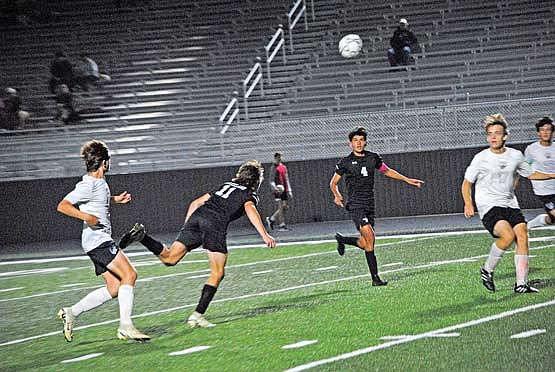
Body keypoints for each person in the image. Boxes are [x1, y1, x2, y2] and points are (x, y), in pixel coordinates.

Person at [118, 160, 276, 327]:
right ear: (256, 180)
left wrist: (187, 230)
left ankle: (143, 237)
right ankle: (197, 315)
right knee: (217, 273)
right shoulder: (249, 194)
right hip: (215, 223)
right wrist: (264, 234)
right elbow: (250, 209)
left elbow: (196, 203)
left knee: (170, 258)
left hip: (197, 216)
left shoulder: (225, 185)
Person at [57, 140, 150, 342]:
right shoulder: (88, 184)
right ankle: (126, 326)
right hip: (98, 241)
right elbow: (63, 205)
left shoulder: (99, 184)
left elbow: (98, 200)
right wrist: (87, 218)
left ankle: (71, 312)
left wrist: (116, 199)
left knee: (115, 288)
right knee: (130, 275)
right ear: (105, 163)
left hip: (95, 242)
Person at [461, 114, 555, 294]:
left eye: (497, 133)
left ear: (505, 136)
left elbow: (531, 174)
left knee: (522, 235)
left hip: (510, 204)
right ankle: (487, 270)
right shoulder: (481, 158)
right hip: (489, 206)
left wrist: (552, 175)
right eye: (490, 134)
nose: (493, 137)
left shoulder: (515, 155)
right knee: (508, 236)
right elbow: (466, 183)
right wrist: (468, 204)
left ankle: (521, 284)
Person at [330, 127, 424, 286]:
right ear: (350, 143)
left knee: (367, 243)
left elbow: (386, 171)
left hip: (369, 204)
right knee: (371, 237)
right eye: (355, 140)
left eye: (361, 140)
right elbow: (333, 183)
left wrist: (407, 179)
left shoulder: (373, 158)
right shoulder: (345, 162)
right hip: (355, 204)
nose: (358, 143)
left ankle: (343, 239)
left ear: (365, 142)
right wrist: (337, 195)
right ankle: (375, 279)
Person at [525, 116, 555, 229]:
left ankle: (537, 221)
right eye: (542, 129)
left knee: (552, 219)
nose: (545, 132)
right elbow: (525, 167)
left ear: (553, 132)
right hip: (544, 191)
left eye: (548, 129)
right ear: (538, 133)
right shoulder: (531, 149)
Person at [266, 152, 293, 232]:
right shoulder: (273, 168)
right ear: (275, 158)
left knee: (285, 206)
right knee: (280, 207)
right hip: (278, 189)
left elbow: (286, 178)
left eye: (279, 157)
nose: (278, 159)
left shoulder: (283, 167)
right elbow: (271, 180)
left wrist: (289, 189)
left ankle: (272, 218)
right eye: (277, 157)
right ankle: (282, 225)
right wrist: (275, 188)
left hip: (284, 189)